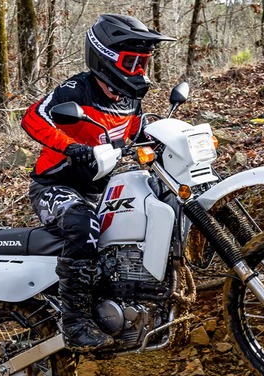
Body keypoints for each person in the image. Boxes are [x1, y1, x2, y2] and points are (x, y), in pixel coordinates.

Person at [21, 14, 174, 351]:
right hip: (54, 187)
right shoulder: (77, 89)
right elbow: (32, 118)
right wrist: (70, 146)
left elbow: (134, 133)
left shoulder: (131, 100)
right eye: (131, 61)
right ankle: (75, 323)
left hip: (100, 188)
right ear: (105, 58)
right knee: (82, 222)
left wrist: (158, 140)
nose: (138, 70)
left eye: (143, 62)